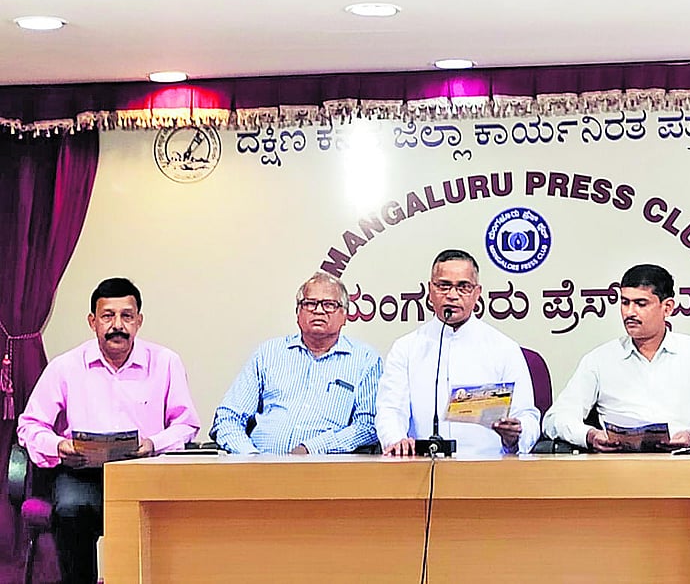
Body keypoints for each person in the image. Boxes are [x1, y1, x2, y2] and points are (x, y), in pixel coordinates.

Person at [17, 277, 200, 584]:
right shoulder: (66, 367)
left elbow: (187, 424)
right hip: (82, 473)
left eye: (127, 316)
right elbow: (30, 426)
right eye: (107, 316)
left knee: (172, 516)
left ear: (139, 321)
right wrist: (61, 446)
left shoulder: (166, 362)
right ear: (93, 322)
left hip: (146, 471)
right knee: (72, 509)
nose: (118, 325)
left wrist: (152, 444)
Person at [543, 263, 690, 451]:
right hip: (617, 466)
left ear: (667, 307)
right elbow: (555, 419)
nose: (629, 312)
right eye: (625, 303)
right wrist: (589, 436)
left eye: (641, 303)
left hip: (686, 461)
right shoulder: (599, 360)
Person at [376, 249, 540, 456]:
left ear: (477, 292)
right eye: (444, 286)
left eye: (463, 287)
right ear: (430, 289)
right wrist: (396, 440)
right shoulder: (406, 348)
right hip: (420, 469)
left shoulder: (504, 348)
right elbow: (390, 410)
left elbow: (527, 416)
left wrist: (516, 434)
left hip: (488, 469)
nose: (452, 295)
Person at [210, 271, 381, 454]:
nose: (319, 310)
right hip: (259, 469)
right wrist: (251, 456)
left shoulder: (365, 360)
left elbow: (367, 427)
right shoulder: (269, 353)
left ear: (344, 315)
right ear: (298, 312)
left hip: (325, 471)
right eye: (310, 303)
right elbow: (228, 417)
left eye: (329, 304)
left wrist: (311, 449)